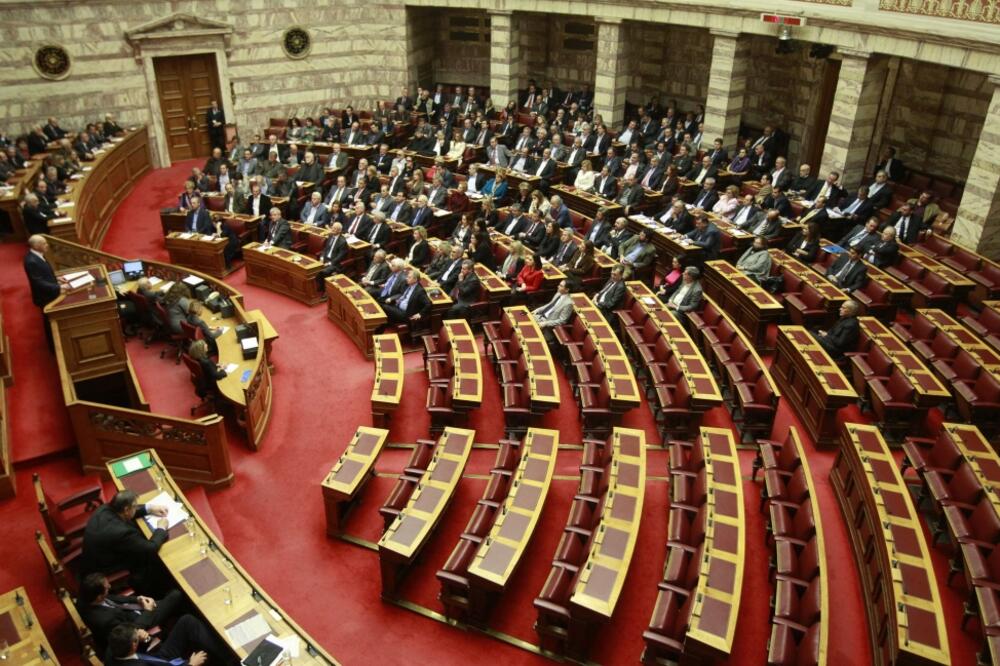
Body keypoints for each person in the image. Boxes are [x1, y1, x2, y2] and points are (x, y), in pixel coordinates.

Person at [81, 491, 170, 595]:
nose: (136, 508)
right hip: (106, 568)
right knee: (155, 560)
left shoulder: (104, 509)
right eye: (134, 506)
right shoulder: (122, 533)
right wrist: (161, 528)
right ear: (127, 509)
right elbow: (150, 548)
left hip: (93, 558)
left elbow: (126, 511)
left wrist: (149, 508)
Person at [532, 280, 574, 345]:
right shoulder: (558, 293)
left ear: (567, 290)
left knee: (530, 333)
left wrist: (546, 323)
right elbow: (549, 305)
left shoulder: (568, 303)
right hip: (541, 316)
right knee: (523, 320)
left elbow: (562, 321)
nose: (558, 286)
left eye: (561, 286)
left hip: (547, 324)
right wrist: (538, 310)